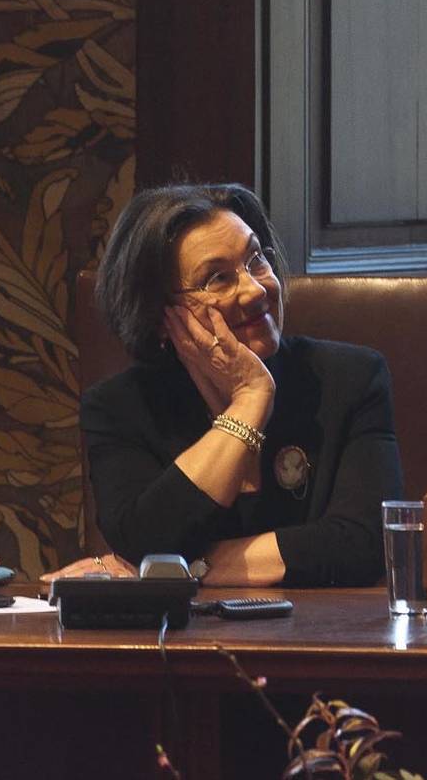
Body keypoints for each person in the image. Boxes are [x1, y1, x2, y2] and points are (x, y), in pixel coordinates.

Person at [72, 183, 401, 586]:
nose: (256, 289)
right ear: (160, 316)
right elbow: (146, 539)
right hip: (176, 644)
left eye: (256, 260)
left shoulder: (350, 379)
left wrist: (189, 568)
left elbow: (365, 545)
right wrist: (250, 400)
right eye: (217, 279)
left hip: (323, 636)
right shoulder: (119, 408)